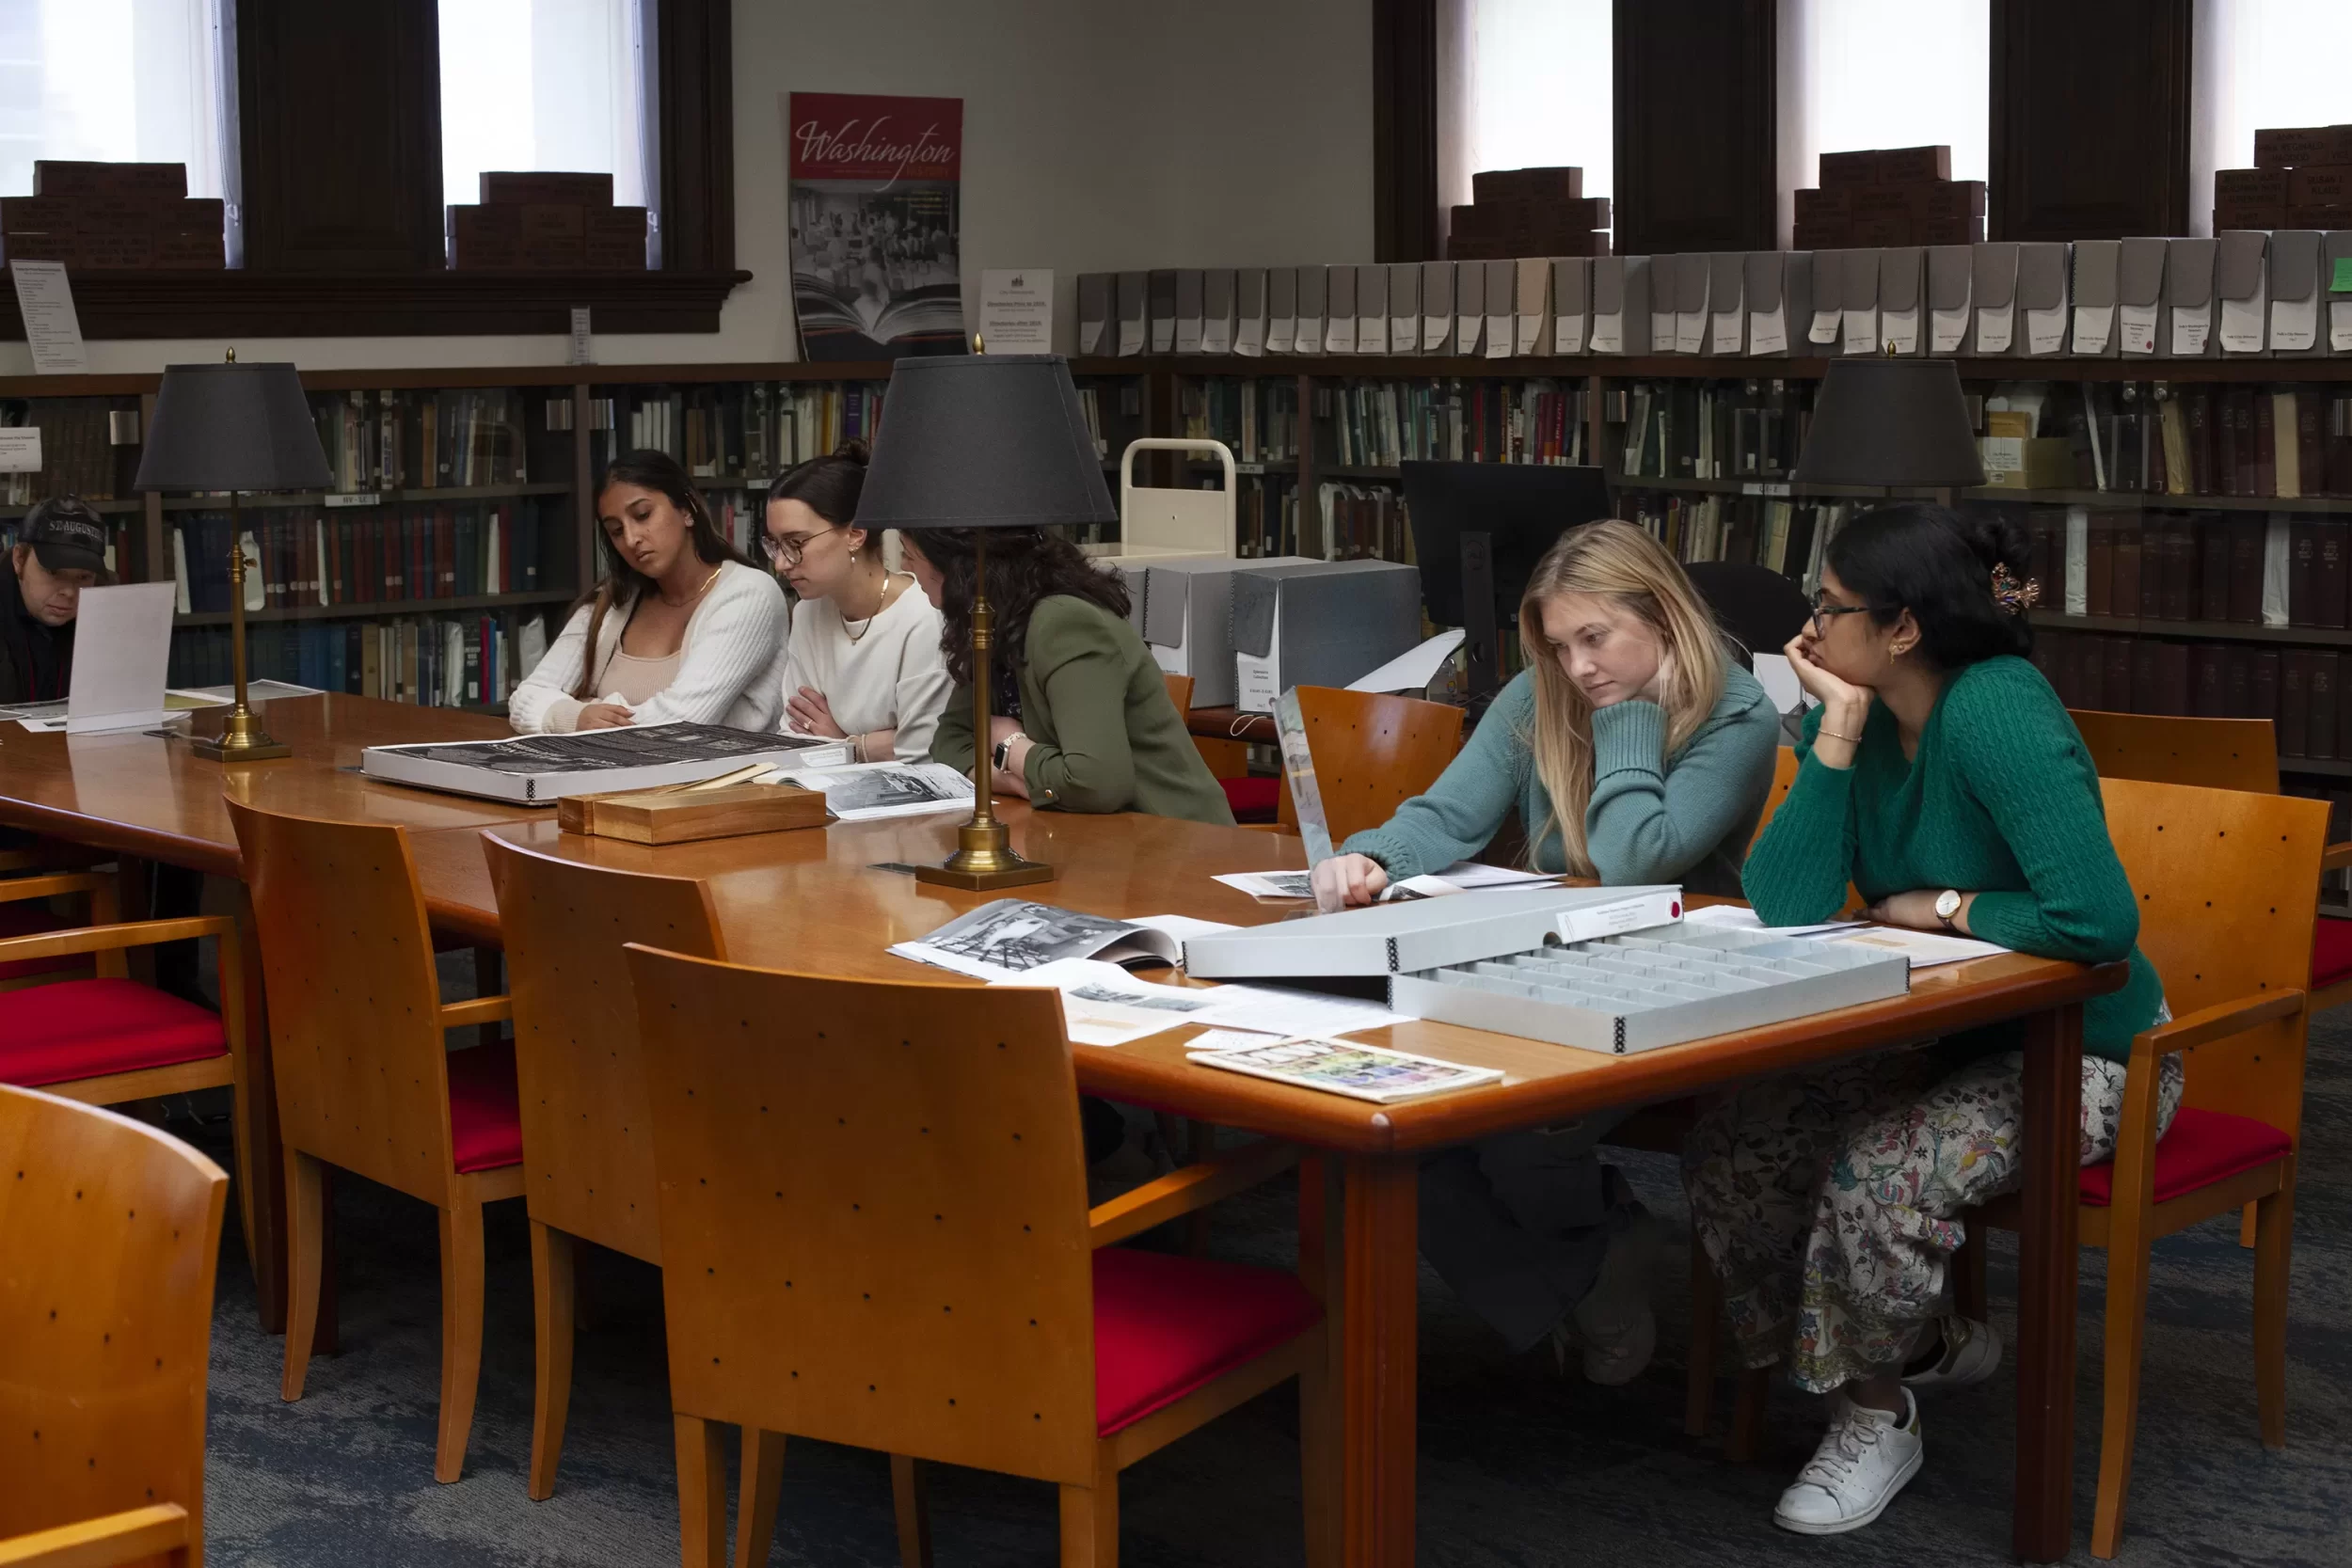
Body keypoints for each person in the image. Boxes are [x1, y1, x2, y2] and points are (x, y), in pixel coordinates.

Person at [1685, 503, 2169, 1537]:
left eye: (1827, 606)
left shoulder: (1995, 706)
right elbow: (1785, 899)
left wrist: (1944, 906)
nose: (1802, 634)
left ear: (1902, 625)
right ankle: (1904, 1344)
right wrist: (1835, 738)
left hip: (2086, 1047)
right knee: (1739, 1139)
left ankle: (1875, 1407)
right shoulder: (1847, 712)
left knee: (1882, 1167)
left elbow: (2095, 920)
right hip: (1940, 1027)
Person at [1312, 519, 1781, 1385]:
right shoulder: (1543, 695)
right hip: (1554, 964)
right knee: (1386, 1125)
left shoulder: (1739, 712)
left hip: (1677, 989)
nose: (1577, 668)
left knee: (1522, 1129)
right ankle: (1595, 1264)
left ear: (1665, 615)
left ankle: (1584, 1259)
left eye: (1594, 638)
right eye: (1561, 647)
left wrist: (1632, 721)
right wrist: (1374, 855)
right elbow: (1447, 813)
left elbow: (1638, 858)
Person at [900, 525, 1234, 826]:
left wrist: (1010, 745)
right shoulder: (995, 622)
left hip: (1178, 844)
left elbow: (1095, 783)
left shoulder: (1064, 623)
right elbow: (949, 742)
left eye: (909, 555)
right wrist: (1017, 778)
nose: (904, 566)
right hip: (1091, 837)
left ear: (955, 567)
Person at [510, 451, 788, 735]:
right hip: (613, 775)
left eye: (643, 515)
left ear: (687, 509)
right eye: (616, 531)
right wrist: (576, 717)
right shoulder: (611, 602)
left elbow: (680, 723)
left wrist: (594, 709)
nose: (631, 539)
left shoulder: (749, 595)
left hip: (724, 778)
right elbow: (526, 697)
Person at [762, 440, 951, 762]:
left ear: (855, 534)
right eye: (775, 545)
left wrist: (845, 743)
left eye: (796, 543)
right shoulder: (809, 611)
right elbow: (796, 738)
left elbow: (922, 754)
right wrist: (869, 746)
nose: (781, 564)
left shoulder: (924, 616)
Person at [0, 496, 107, 705]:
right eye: (54, 572)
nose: (69, 591)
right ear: (19, 559)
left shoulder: (107, 601)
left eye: (84, 577)